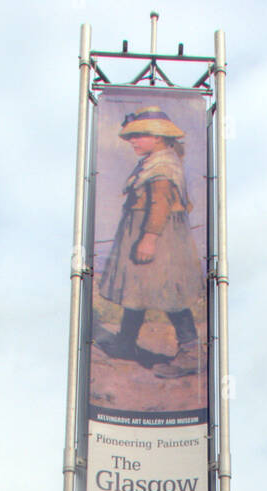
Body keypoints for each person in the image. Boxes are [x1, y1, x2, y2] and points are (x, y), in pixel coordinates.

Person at [97, 107, 205, 379]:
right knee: (137, 287)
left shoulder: (162, 166)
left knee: (168, 291)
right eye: (132, 136)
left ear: (158, 137)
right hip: (144, 229)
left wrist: (149, 238)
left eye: (140, 135)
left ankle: (191, 352)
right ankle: (125, 343)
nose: (133, 141)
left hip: (157, 234)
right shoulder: (155, 161)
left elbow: (159, 204)